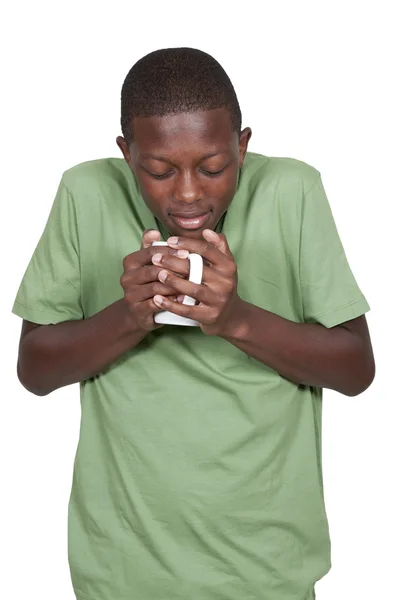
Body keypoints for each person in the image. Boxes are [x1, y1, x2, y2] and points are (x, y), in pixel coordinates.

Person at [12, 47, 375, 600]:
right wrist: (130, 317)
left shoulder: (292, 190)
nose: (187, 193)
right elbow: (34, 370)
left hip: (265, 570)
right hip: (120, 569)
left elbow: (356, 370)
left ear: (243, 146)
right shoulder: (85, 193)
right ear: (126, 154)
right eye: (158, 170)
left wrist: (235, 319)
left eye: (213, 167)